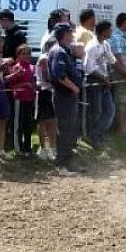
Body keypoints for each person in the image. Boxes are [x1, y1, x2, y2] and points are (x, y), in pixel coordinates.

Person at [48, 24, 84, 174]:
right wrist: (74, 87)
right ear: (64, 34)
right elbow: (60, 76)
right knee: (65, 130)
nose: (73, 35)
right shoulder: (59, 52)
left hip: (69, 96)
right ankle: (61, 165)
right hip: (64, 96)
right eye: (70, 33)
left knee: (70, 129)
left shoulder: (66, 50)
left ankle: (68, 162)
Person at [83, 21, 117, 150]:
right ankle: (93, 137)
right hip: (94, 81)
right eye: (109, 30)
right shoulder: (91, 46)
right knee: (95, 111)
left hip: (104, 81)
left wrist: (121, 73)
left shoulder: (106, 45)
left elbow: (112, 60)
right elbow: (88, 68)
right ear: (103, 31)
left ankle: (99, 134)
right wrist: (103, 78)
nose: (111, 32)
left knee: (110, 110)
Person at [4, 44, 37, 157]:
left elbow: (34, 82)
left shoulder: (32, 67)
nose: (26, 56)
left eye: (28, 54)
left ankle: (28, 147)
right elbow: (11, 85)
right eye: (23, 54)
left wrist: (33, 87)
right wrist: (25, 83)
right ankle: (18, 148)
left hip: (30, 99)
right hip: (19, 98)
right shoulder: (16, 67)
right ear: (18, 55)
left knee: (28, 124)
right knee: (18, 124)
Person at [109, 13, 126, 134]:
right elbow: (118, 58)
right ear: (124, 22)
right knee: (122, 101)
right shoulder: (117, 38)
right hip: (121, 72)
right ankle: (120, 128)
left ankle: (124, 126)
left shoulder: (123, 37)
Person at [35, 38, 57, 160]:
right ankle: (43, 148)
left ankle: (53, 148)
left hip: (51, 92)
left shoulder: (52, 57)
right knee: (43, 121)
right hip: (44, 92)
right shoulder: (44, 58)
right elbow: (46, 76)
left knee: (53, 121)